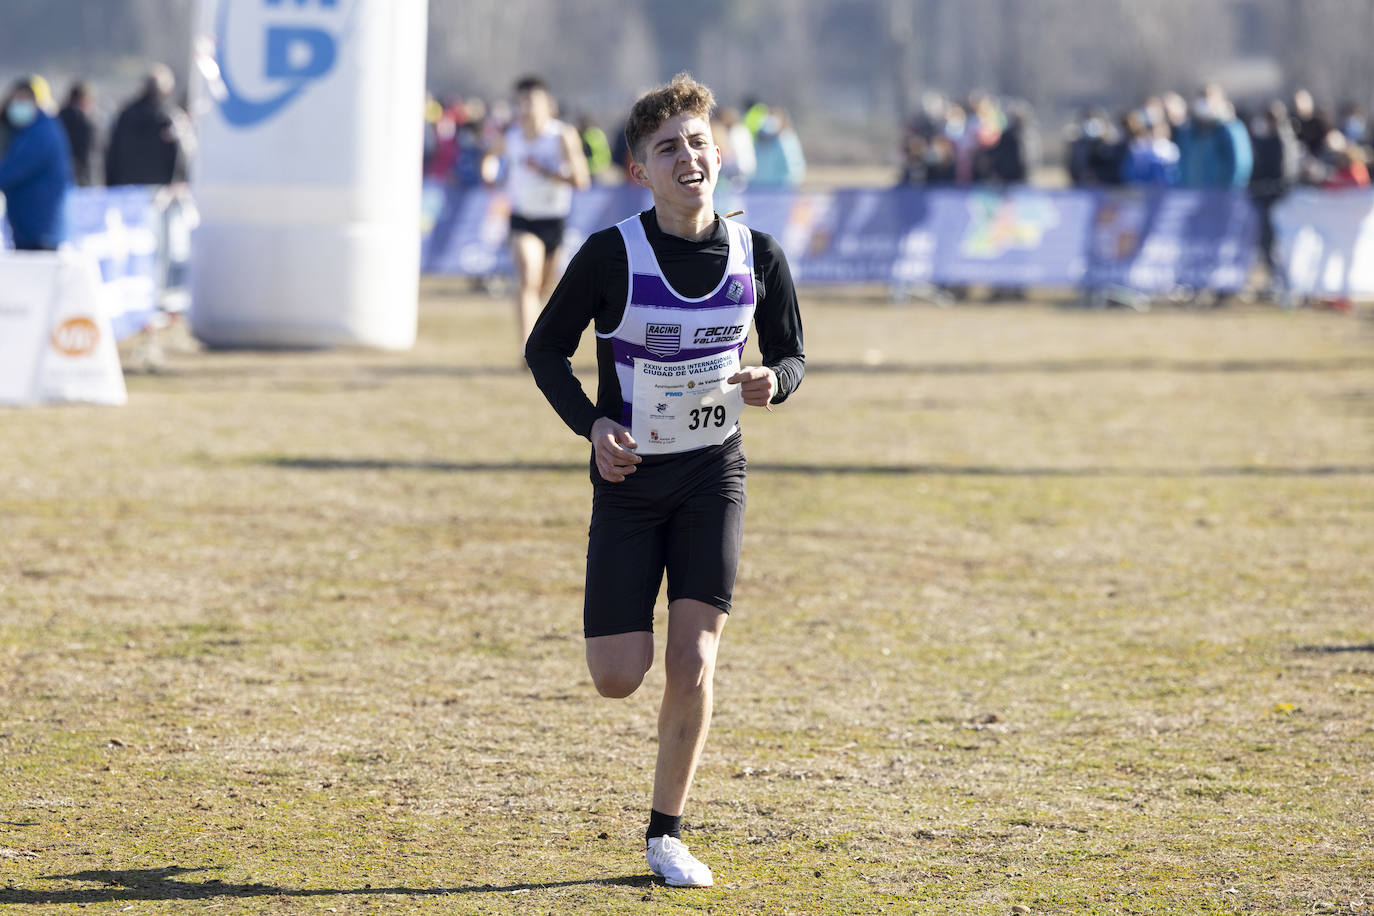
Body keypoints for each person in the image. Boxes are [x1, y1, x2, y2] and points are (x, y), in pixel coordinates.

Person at [524, 72, 804, 888]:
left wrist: (773, 383)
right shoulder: (613, 253)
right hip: (631, 482)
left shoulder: (759, 253)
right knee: (618, 675)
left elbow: (790, 355)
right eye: (667, 148)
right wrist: (593, 425)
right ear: (640, 171)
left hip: (713, 475)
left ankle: (665, 835)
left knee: (696, 660)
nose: (689, 157)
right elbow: (545, 350)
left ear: (717, 151)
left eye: (697, 142)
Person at [482, 75, 590, 346]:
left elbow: (581, 181)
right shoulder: (512, 137)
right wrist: (489, 173)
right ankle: (527, 347)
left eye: (532, 102)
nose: (526, 109)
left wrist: (544, 171)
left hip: (554, 220)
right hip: (522, 218)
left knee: (542, 288)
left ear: (547, 104)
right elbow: (490, 156)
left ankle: (539, 336)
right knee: (527, 277)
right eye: (522, 103)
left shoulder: (561, 135)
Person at [0, 76, 73, 251]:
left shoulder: (40, 134)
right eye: (15, 101)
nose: (17, 106)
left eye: (22, 100)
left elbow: (11, 171)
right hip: (32, 226)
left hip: (41, 229)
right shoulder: (30, 130)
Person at [104, 64, 192, 187]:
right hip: (160, 193)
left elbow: (112, 155)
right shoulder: (171, 118)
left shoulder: (125, 115)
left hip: (127, 191)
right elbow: (181, 159)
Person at [57, 81, 98, 186]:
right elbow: (89, 157)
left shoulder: (56, 120)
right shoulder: (86, 122)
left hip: (58, 178)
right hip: (81, 180)